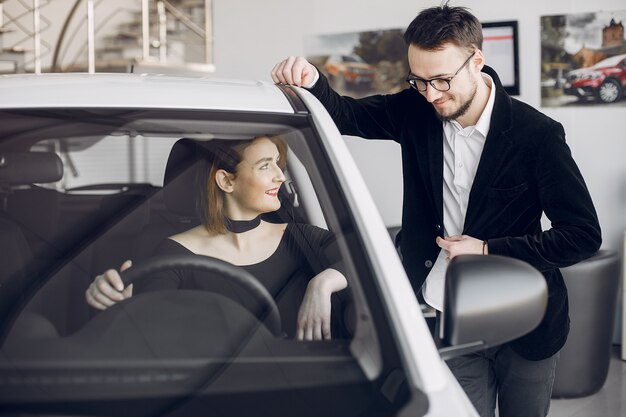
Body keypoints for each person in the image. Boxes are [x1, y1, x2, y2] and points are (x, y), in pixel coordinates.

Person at [271, 3, 601, 417]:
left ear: (476, 60)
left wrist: (486, 250)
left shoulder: (539, 135)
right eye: (419, 81)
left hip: (525, 324)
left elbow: (583, 236)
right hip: (445, 317)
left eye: (442, 80)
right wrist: (312, 79)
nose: (431, 94)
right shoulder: (416, 110)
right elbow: (345, 115)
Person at [85, 135, 348, 341]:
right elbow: (146, 331)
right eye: (265, 166)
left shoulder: (304, 237)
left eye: (278, 164)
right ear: (226, 181)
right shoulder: (174, 254)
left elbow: (373, 264)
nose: (280, 176)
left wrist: (323, 283)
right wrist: (116, 302)